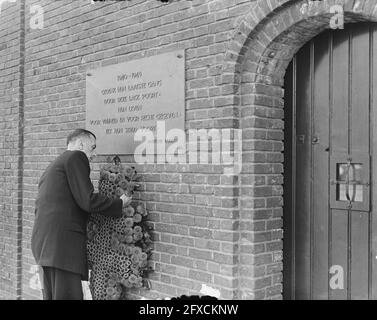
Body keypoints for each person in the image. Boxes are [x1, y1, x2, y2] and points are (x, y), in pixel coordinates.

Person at [31, 129, 131, 300]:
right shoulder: (76, 157)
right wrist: (119, 203)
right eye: (92, 148)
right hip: (62, 247)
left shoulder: (55, 165)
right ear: (80, 144)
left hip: (45, 245)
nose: (93, 154)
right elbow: (87, 200)